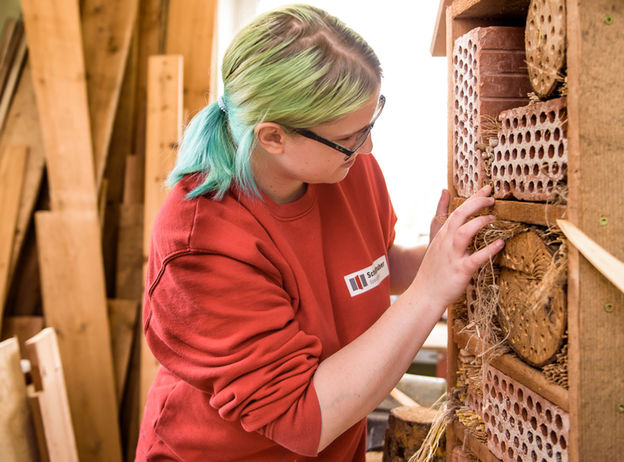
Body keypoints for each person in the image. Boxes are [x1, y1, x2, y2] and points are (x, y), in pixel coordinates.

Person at [135, 4, 504, 461]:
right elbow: (302, 419)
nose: (367, 147)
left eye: (370, 123)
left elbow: (371, 268)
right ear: (273, 137)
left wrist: (435, 256)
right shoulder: (200, 247)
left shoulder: (346, 168)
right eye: (349, 137)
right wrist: (430, 292)